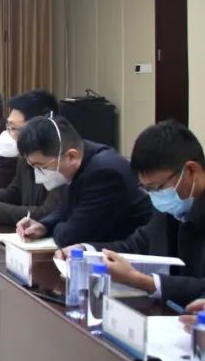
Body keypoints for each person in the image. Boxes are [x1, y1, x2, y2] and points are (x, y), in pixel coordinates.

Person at [58, 121, 205, 307]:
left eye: (157, 188)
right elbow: (136, 245)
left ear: (191, 171)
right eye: (147, 189)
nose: (156, 196)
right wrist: (86, 251)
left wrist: (144, 281)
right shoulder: (171, 207)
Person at [15, 116, 153, 247]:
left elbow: (71, 237)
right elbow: (65, 208)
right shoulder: (77, 160)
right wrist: (44, 226)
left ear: (71, 156)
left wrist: (57, 227)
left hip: (137, 252)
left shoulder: (104, 174)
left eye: (41, 166)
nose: (38, 173)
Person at [0, 90, 63, 225]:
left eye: (13, 128)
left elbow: (47, 213)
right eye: (8, 127)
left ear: (38, 128)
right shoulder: (23, 157)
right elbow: (13, 194)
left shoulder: (59, 161)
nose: (8, 134)